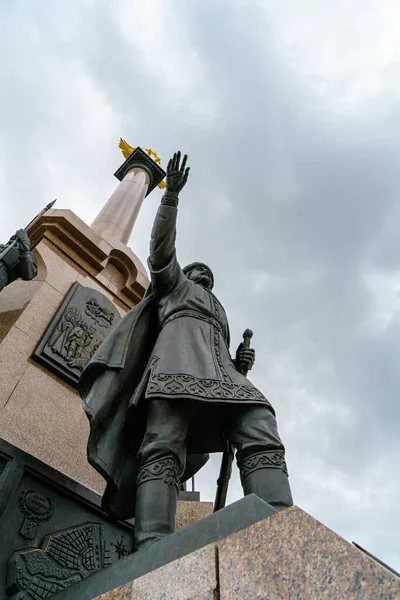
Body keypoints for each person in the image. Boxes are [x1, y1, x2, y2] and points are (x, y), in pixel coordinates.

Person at [80, 151, 293, 552]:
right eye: (200, 272)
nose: (206, 276)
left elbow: (218, 352)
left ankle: (278, 522)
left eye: (209, 276)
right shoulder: (173, 286)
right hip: (173, 369)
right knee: (163, 443)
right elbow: (161, 251)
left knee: (259, 419)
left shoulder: (218, 308)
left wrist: (238, 364)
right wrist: (171, 197)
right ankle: (153, 539)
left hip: (222, 378)